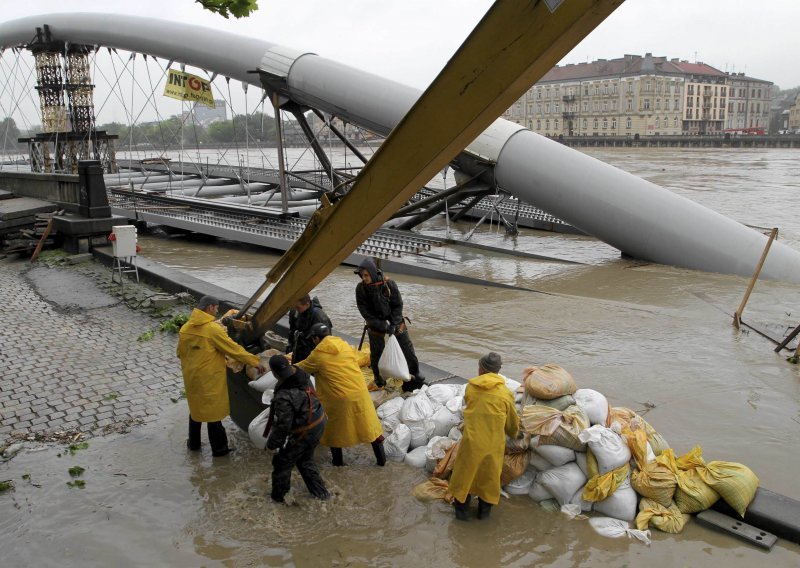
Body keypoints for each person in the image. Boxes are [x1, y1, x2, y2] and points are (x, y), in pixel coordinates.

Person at [177, 295, 264, 457]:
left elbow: (179, 353)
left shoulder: (185, 328)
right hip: (209, 379)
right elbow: (233, 350)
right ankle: (220, 450)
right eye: (216, 308)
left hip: (191, 378)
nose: (217, 311)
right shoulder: (212, 330)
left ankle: (194, 445)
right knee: (213, 415)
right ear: (210, 307)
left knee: (196, 411)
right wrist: (255, 361)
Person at [295, 322, 386, 467]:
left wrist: (287, 364)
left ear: (317, 339)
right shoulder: (344, 346)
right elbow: (358, 358)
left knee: (334, 432)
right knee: (371, 429)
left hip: (338, 399)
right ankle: (382, 464)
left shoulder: (317, 355)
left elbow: (301, 369)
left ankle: (338, 465)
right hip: (360, 394)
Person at [448, 352, 519, 521]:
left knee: (464, 477)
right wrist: (515, 433)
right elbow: (511, 424)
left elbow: (469, 408)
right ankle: (483, 515)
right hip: (493, 446)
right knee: (488, 480)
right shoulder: (505, 393)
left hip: (471, 443)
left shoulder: (470, 388)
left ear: (481, 369)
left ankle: (462, 516)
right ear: (498, 370)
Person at [265, 354, 330, 503]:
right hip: (319, 420)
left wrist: (272, 444)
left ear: (274, 373)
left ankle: (278, 500)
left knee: (282, 463)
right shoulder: (302, 374)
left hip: (306, 430)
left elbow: (283, 426)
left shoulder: (284, 396)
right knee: (304, 460)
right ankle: (322, 495)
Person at [354, 257, 425, 392]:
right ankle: (379, 378)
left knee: (407, 347)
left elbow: (397, 305)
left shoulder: (389, 284)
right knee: (376, 352)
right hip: (375, 324)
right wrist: (384, 327)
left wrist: (395, 323)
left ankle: (414, 371)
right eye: (362, 276)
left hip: (394, 320)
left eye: (366, 275)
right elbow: (366, 313)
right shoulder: (361, 290)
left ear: (373, 273)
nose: (364, 278)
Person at [286, 294, 332, 364]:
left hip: (313, 350)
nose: (295, 309)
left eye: (297, 307)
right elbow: (292, 330)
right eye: (294, 306)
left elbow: (326, 341)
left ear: (307, 304)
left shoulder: (319, 317)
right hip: (299, 347)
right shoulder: (295, 311)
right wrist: (290, 345)